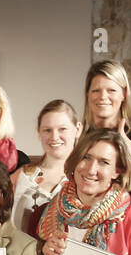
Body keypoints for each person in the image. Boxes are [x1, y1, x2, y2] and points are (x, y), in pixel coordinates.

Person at [81, 60, 131, 217]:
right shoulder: (78, 137)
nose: (103, 97)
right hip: (84, 224)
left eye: (111, 90)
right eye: (96, 90)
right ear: (87, 95)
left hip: (130, 225)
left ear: (124, 94)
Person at [13, 99, 82, 232]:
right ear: (39, 132)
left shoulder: (88, 178)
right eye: (47, 130)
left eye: (62, 129)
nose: (54, 136)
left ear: (77, 129)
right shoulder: (22, 176)